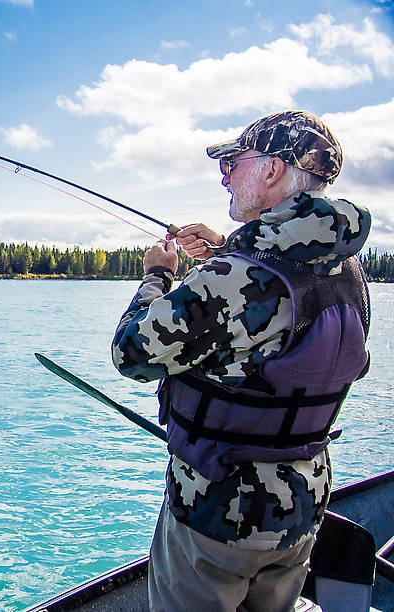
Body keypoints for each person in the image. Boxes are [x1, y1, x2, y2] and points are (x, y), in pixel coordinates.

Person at [111, 110, 372, 612]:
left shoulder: (234, 276)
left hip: (216, 513)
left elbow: (132, 352)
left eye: (234, 161)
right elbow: (277, 304)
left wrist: (158, 277)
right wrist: (225, 251)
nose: (224, 175)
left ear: (272, 170)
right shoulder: (349, 268)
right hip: (302, 505)